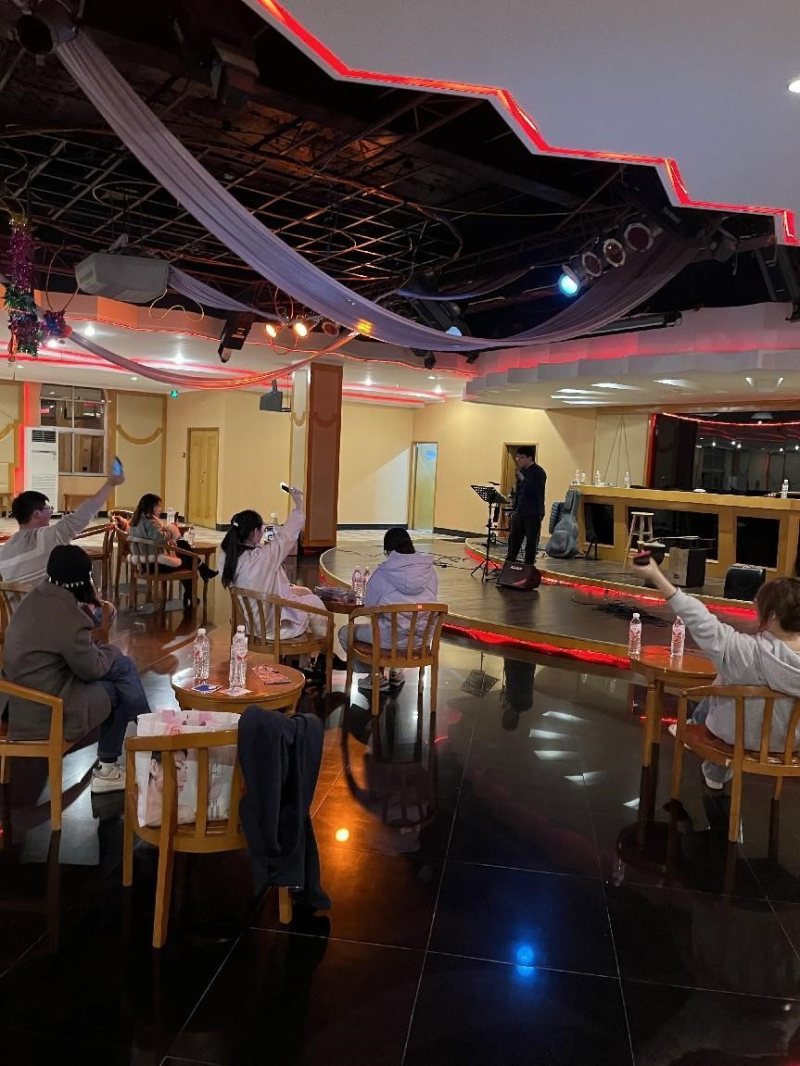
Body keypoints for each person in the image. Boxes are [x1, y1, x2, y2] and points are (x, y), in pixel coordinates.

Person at [638, 556, 800, 789]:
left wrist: (656, 576)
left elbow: (699, 618)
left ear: (773, 616)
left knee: (730, 677)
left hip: (737, 738)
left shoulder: (745, 652)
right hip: (790, 745)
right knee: (734, 676)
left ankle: (713, 767)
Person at [0, 545, 152, 792]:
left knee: (122, 671)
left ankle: (148, 735)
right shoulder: (68, 616)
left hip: (14, 701)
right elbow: (92, 670)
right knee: (120, 680)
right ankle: (142, 745)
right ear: (83, 579)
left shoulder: (34, 598)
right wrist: (111, 651)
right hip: (46, 710)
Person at [220, 487, 330, 646]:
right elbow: (287, 535)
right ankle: (321, 652)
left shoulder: (228, 557)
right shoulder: (263, 557)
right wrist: (299, 504)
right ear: (255, 532)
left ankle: (305, 657)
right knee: (314, 602)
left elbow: (261, 582)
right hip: (270, 628)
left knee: (304, 592)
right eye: (261, 530)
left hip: (248, 623)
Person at [340, 527, 438, 690]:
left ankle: (375, 676)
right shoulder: (430, 572)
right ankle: (396, 671)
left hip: (388, 639)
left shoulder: (383, 572)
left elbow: (370, 605)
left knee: (345, 632)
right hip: (420, 641)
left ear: (387, 550)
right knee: (400, 630)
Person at [0, 462, 125, 587]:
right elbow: (84, 513)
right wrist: (110, 484)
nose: (51, 512)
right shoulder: (47, 537)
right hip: (45, 599)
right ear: (36, 514)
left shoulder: (5, 550)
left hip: (17, 600)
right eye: (48, 509)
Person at [130, 493, 217, 609]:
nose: (160, 509)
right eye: (158, 506)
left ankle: (202, 571)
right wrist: (171, 529)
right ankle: (200, 574)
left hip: (145, 563)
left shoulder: (136, 520)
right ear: (151, 506)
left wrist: (167, 532)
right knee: (190, 561)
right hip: (156, 564)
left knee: (183, 545)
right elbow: (160, 538)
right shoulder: (150, 522)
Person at [506, 445, 546, 565]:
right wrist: (514, 509)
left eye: (522, 457)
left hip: (533, 511)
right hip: (520, 511)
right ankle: (509, 563)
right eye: (517, 457)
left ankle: (528, 566)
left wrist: (523, 479)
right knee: (514, 539)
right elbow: (519, 493)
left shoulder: (539, 472)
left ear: (530, 458)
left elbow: (537, 490)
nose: (519, 460)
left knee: (531, 541)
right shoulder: (522, 471)